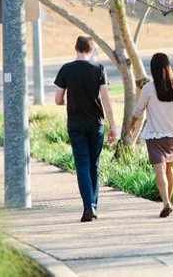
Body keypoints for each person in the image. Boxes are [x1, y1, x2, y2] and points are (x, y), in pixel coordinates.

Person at [54, 35, 117, 222]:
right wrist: (113, 125)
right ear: (91, 50)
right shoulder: (99, 69)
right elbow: (105, 98)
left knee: (82, 165)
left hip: (75, 124)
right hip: (96, 123)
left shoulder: (66, 69)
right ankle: (93, 205)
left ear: (76, 48)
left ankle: (88, 206)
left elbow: (57, 99)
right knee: (94, 165)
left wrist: (65, 100)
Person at [129, 53, 173, 218]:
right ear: (168, 67)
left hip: (155, 135)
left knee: (159, 170)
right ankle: (169, 201)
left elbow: (138, 109)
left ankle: (166, 203)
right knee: (170, 168)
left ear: (153, 69)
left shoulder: (148, 88)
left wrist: (131, 125)